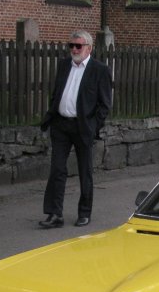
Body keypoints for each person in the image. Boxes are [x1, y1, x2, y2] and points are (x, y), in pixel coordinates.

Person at [40, 30, 112, 228]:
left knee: (84, 171)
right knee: (57, 169)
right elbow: (58, 92)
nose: (74, 49)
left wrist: (93, 125)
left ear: (88, 48)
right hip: (61, 125)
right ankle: (55, 214)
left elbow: (104, 104)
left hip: (83, 126)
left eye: (78, 46)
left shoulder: (100, 70)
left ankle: (84, 212)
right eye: (71, 45)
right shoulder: (64, 65)